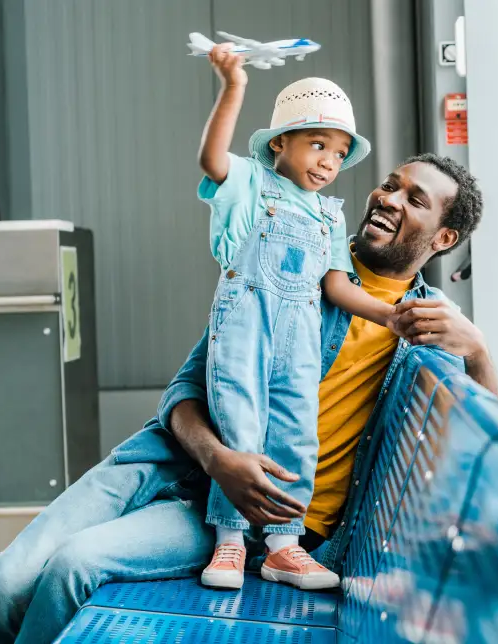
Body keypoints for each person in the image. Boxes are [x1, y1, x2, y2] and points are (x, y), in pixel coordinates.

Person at [0, 151, 498, 644]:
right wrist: (218, 459)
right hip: (171, 464)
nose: (387, 197)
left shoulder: (426, 329)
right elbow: (185, 391)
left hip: (256, 523)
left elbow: (492, 446)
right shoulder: (290, 255)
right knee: (4, 581)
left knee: (73, 565)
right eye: (389, 183)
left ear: (444, 238)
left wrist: (478, 351)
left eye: (414, 198)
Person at [194, 44, 397, 591]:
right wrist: (233, 86)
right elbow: (212, 160)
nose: (328, 161)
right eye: (316, 145)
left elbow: (334, 284)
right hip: (246, 322)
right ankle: (231, 542)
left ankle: (283, 545)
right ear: (279, 143)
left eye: (338, 152)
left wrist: (389, 315)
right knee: (240, 422)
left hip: (302, 334)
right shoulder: (250, 185)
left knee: (295, 430)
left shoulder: (330, 214)